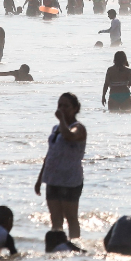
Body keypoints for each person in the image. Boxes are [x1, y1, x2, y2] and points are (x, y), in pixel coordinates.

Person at [35, 93, 87, 240]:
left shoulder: (78, 128)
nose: (62, 109)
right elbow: (50, 154)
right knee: (55, 219)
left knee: (71, 217)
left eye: (66, 106)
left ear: (75, 109)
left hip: (70, 179)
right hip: (52, 178)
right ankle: (57, 246)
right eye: (60, 106)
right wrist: (40, 179)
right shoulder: (55, 128)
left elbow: (69, 136)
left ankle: (75, 244)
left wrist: (62, 119)